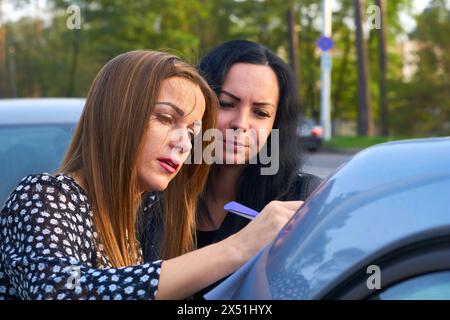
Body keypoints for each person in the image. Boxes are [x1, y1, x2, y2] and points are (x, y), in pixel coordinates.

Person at [0, 50, 302, 300]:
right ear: (117, 114)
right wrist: (238, 247)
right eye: (165, 118)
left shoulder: (143, 211)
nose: (183, 143)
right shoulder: (44, 196)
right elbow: (60, 294)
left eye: (193, 132)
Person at [141, 41, 322, 297]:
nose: (241, 123)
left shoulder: (300, 198)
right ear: (197, 104)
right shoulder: (154, 190)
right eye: (226, 104)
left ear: (276, 124)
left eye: (260, 113)